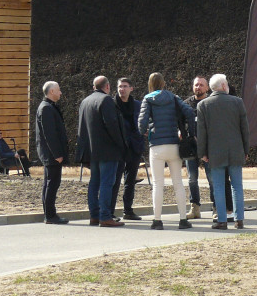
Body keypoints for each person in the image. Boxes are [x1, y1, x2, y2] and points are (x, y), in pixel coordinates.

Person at [138, 72, 195, 230]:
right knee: (178, 183)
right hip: (174, 144)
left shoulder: (148, 99)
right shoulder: (173, 97)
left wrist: (145, 131)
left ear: (150, 83)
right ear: (163, 83)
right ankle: (183, 220)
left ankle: (157, 221)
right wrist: (189, 133)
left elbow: (141, 122)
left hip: (156, 145)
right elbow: (189, 112)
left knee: (157, 184)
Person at [197, 74, 250, 230]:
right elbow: (244, 130)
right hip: (235, 150)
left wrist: (203, 152)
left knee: (218, 187)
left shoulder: (203, 105)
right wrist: (245, 150)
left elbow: (202, 133)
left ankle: (221, 220)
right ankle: (239, 219)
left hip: (215, 152)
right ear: (224, 86)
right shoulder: (238, 102)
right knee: (237, 186)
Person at [78, 76, 127, 227]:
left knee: (94, 182)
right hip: (108, 150)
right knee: (107, 183)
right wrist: (121, 144)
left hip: (93, 151)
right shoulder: (106, 100)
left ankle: (94, 215)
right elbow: (111, 124)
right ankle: (105, 216)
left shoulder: (85, 101)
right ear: (107, 87)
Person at [35, 81, 68, 224]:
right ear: (52, 91)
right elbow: (50, 134)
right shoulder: (46, 108)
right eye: (59, 90)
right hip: (51, 154)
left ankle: (49, 214)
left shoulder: (47, 107)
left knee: (49, 183)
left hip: (49, 154)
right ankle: (50, 215)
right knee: (52, 183)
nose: (61, 93)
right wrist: (57, 154)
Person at [112, 78, 145, 221]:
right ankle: (110, 211)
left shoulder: (138, 105)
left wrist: (142, 132)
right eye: (120, 86)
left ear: (131, 88)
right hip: (118, 147)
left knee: (130, 180)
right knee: (115, 179)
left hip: (134, 147)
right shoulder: (112, 105)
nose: (122, 89)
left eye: (125, 86)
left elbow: (144, 121)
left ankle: (128, 210)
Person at [183, 74, 209, 220]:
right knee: (192, 179)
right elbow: (180, 120)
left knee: (212, 178)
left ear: (207, 87)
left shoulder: (210, 103)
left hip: (207, 147)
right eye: (196, 85)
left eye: (201, 85)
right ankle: (195, 208)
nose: (198, 87)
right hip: (190, 147)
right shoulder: (186, 104)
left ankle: (216, 208)